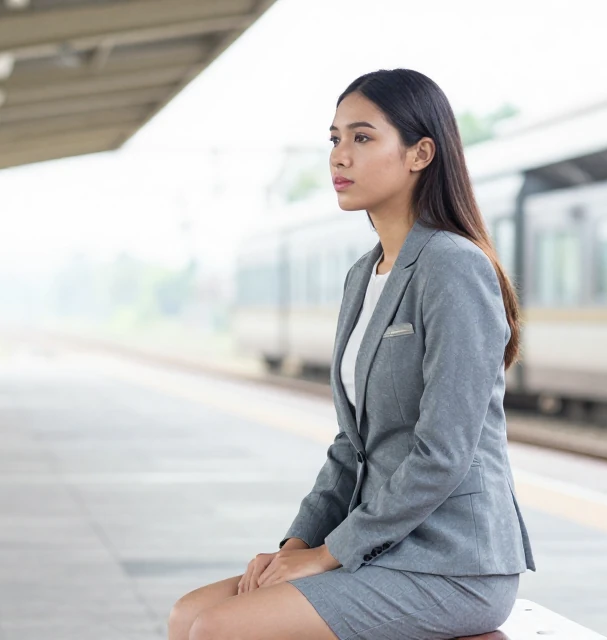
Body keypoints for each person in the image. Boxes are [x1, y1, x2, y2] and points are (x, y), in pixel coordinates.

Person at [167, 69, 534, 640]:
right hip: (377, 549)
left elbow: (443, 453)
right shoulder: (363, 276)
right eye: (335, 139)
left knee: (221, 628)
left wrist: (327, 555)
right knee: (188, 614)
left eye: (362, 138)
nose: (340, 156)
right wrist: (296, 544)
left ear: (420, 153)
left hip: (452, 563)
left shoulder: (453, 266)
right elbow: (351, 445)